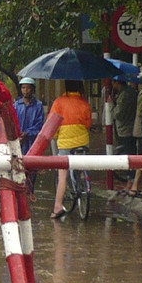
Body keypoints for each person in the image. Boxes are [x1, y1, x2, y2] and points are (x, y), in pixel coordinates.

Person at [49, 80, 93, 219]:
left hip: (65, 144)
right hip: (83, 142)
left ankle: (57, 207)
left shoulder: (59, 102)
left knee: (63, 175)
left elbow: (52, 123)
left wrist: (56, 136)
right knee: (80, 166)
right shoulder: (85, 103)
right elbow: (88, 124)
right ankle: (83, 183)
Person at [111, 76, 138, 194]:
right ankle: (130, 181)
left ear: (117, 82)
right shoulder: (130, 93)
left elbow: (118, 114)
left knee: (129, 157)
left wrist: (112, 106)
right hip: (129, 129)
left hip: (126, 130)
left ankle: (130, 182)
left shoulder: (125, 96)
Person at [15, 77, 45, 156]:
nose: (25, 90)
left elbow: (39, 124)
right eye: (23, 88)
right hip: (18, 141)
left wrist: (27, 132)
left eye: (28, 88)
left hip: (33, 141)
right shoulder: (16, 105)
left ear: (33, 89)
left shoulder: (38, 105)